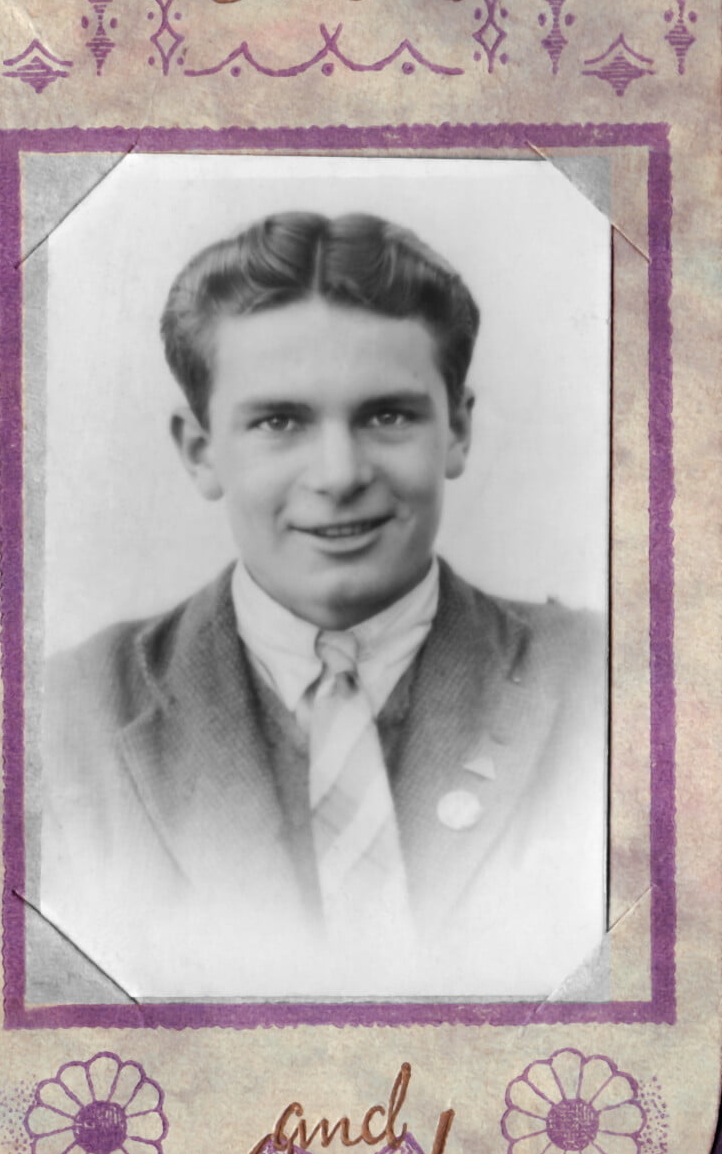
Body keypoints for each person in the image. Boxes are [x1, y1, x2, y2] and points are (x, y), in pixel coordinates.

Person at [38, 211, 607, 1002]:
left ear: (457, 430)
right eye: (279, 421)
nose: (338, 474)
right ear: (201, 450)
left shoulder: (612, 687)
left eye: (387, 415)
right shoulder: (64, 720)